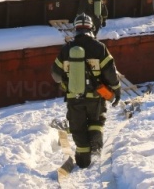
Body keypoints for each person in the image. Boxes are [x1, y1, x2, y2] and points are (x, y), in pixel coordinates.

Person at [51, 13, 121, 169]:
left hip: (74, 98)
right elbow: (110, 72)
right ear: (91, 28)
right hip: (95, 97)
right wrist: (116, 90)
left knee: (78, 127)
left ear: (76, 28)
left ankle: (83, 160)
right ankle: (95, 146)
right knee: (96, 122)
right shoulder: (99, 48)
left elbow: (55, 74)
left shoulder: (66, 49)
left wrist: (65, 82)